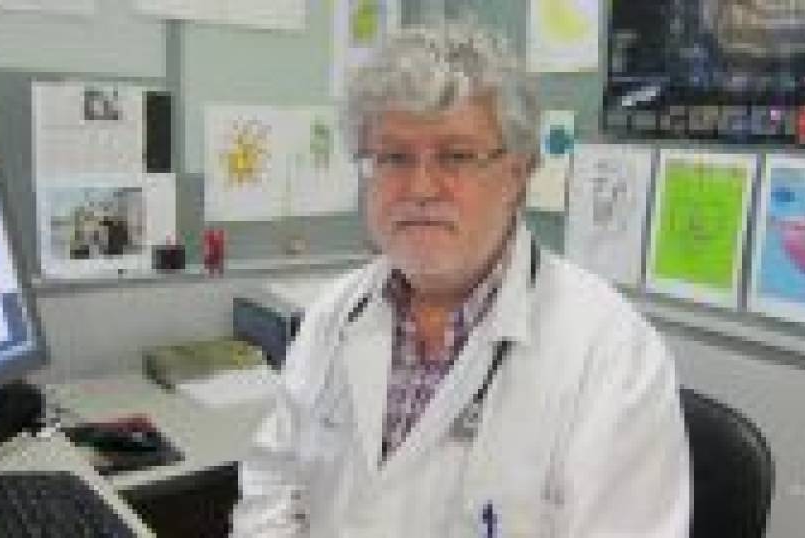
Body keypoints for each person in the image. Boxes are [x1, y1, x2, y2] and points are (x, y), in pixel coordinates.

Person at [231, 21, 690, 537]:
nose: (420, 188)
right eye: (394, 157)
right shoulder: (335, 312)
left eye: (456, 156)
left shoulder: (611, 354)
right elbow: (272, 488)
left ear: (518, 175)